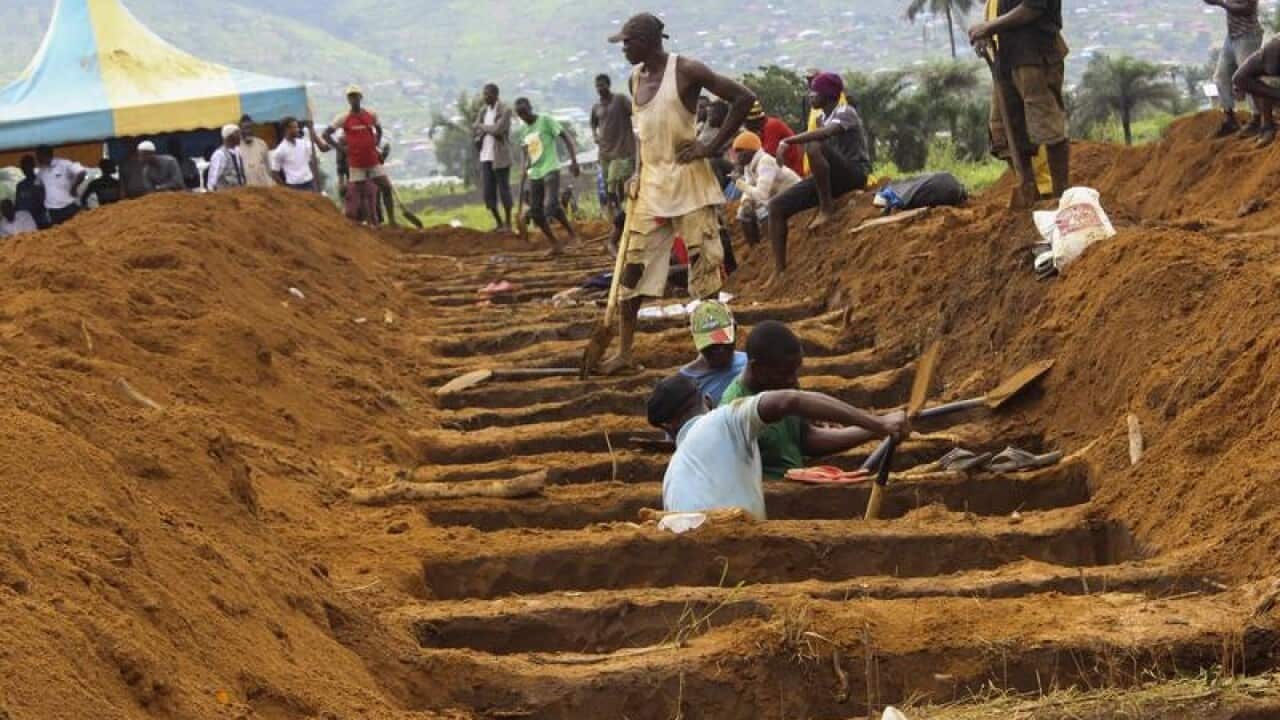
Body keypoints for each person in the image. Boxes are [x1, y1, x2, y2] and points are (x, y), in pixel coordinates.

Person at [596, 12, 756, 375]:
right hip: (651, 186)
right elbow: (642, 135)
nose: (623, 48)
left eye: (627, 42)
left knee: (705, 270)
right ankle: (624, 352)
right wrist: (637, 171)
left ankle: (716, 354)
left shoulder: (686, 71)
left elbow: (743, 98)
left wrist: (710, 145)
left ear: (648, 41)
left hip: (690, 183)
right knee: (632, 268)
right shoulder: (635, 78)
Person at [648, 372, 906, 520]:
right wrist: (878, 424)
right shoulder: (724, 420)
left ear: (667, 429)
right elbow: (789, 400)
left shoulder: (670, 479)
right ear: (707, 399)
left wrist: (876, 428)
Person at [721, 321, 900, 480]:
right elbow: (794, 401)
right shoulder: (735, 406)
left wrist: (871, 431)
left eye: (795, 371)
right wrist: (877, 424)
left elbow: (806, 439)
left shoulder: (782, 383)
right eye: (785, 373)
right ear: (757, 368)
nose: (793, 380)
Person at [766, 73, 871, 275]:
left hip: (854, 173)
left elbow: (826, 134)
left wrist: (788, 141)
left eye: (814, 92)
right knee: (776, 206)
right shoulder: (822, 117)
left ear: (828, 94)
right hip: (832, 178)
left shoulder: (845, 112)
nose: (810, 96)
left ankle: (826, 208)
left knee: (814, 144)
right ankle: (779, 272)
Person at [969, 0, 1070, 201]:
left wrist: (988, 27)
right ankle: (1030, 192)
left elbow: (1032, 7)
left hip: (1034, 56)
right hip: (1007, 57)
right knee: (1006, 132)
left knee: (1047, 126)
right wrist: (987, 34)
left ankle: (1061, 197)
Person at [515, 98, 581, 254]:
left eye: (525, 112)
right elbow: (526, 153)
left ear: (530, 108)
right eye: (520, 114)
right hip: (535, 172)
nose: (524, 116)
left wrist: (574, 161)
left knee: (550, 205)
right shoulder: (523, 131)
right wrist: (524, 166)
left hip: (551, 167)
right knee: (537, 213)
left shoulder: (545, 120)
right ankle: (555, 243)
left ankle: (572, 235)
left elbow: (566, 138)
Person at [325, 85, 394, 225]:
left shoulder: (371, 114)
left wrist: (376, 145)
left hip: (373, 161)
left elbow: (379, 130)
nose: (354, 98)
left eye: (356, 95)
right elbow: (326, 134)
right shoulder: (343, 118)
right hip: (356, 165)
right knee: (363, 195)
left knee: (386, 187)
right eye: (351, 96)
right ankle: (370, 224)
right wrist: (341, 149)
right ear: (348, 99)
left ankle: (392, 221)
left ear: (360, 97)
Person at [732, 130, 801, 247]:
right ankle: (756, 248)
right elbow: (750, 186)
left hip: (795, 196)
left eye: (740, 151)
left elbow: (761, 195)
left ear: (750, 151)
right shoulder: (748, 166)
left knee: (761, 208)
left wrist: (739, 182)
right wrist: (746, 202)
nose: (737, 157)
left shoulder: (765, 162)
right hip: (778, 197)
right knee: (743, 213)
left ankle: (772, 242)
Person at [1206, 0, 1264, 137]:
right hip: (1232, 36)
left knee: (1247, 79)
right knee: (1221, 77)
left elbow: (1247, 9)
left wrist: (1220, 4)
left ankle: (1257, 119)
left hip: (1248, 36)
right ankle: (1230, 119)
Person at [679, 301, 747, 406]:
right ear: (695, 339)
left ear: (734, 329)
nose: (720, 350)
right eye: (711, 346)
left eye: (724, 341)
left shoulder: (749, 365)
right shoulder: (684, 384)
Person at [591, 74, 636, 215]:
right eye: (597, 86)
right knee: (607, 184)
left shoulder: (620, 100)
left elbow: (635, 112)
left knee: (613, 183)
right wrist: (595, 134)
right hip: (604, 152)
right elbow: (593, 123)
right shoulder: (596, 107)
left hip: (621, 151)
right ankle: (618, 212)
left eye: (602, 85)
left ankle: (621, 212)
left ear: (608, 85)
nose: (599, 88)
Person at [474, 83, 515, 232]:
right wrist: (483, 129)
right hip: (485, 156)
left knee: (504, 190)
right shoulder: (483, 111)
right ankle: (499, 223)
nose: (485, 97)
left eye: (488, 94)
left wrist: (483, 127)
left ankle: (509, 223)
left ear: (496, 95)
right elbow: (475, 127)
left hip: (500, 156)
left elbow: (498, 130)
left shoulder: (505, 110)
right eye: (484, 94)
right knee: (488, 193)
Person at [1233, 36, 1280, 146]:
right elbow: (1238, 78)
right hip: (1269, 75)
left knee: (1267, 83)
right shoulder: (1271, 49)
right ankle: (1268, 126)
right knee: (1261, 83)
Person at [744, 101, 804, 176]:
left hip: (792, 175)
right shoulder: (761, 130)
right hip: (780, 174)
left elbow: (766, 158)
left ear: (752, 122)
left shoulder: (771, 126)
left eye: (745, 123)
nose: (745, 126)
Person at [35, 145, 87, 225]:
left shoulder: (63, 164)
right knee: (61, 234)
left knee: (76, 230)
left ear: (47, 154)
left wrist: (74, 188)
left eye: (39, 156)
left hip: (68, 207)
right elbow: (38, 186)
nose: (37, 159)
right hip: (53, 211)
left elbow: (81, 172)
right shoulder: (41, 172)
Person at [271, 116, 319, 190]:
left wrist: (315, 180)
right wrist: (285, 188)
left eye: (297, 127)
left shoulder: (304, 143)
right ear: (287, 129)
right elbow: (274, 172)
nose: (298, 129)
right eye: (295, 127)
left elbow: (311, 162)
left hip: (309, 183)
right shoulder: (280, 150)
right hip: (294, 186)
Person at [238, 115, 275, 187]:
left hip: (263, 187)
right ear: (240, 129)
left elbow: (268, 168)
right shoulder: (236, 147)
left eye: (250, 128)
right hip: (246, 190)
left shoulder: (261, 144)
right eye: (245, 128)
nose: (248, 131)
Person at [14, 156, 50, 229]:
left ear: (33, 166)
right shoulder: (20, 185)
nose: (24, 169)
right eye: (23, 167)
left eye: (27, 166)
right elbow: (17, 205)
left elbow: (45, 203)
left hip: (40, 222)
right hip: (23, 223)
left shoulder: (41, 182)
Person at [207, 124, 246, 191]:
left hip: (240, 193)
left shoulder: (238, 152)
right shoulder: (219, 154)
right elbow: (213, 179)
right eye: (237, 134)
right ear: (229, 136)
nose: (240, 137)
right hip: (226, 195)